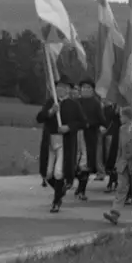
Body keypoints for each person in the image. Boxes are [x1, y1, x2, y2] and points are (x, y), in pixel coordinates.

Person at [37, 76, 85, 212]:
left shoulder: (74, 105)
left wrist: (68, 127)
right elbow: (39, 118)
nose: (60, 90)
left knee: (59, 172)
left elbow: (82, 122)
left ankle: (56, 201)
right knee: (47, 173)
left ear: (69, 90)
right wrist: (51, 111)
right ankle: (60, 190)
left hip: (65, 142)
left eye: (63, 87)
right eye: (58, 87)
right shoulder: (51, 102)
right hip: (50, 141)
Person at [104, 106, 132, 226]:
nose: (120, 118)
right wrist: (118, 161)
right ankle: (115, 213)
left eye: (121, 116)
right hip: (123, 163)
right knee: (121, 187)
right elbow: (120, 147)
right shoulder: (121, 129)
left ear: (128, 117)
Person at [74, 78, 105, 200]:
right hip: (76, 134)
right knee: (74, 162)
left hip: (89, 136)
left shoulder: (96, 103)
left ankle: (82, 190)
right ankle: (75, 183)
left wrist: (91, 124)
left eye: (88, 88)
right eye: (83, 87)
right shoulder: (76, 102)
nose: (85, 90)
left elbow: (102, 120)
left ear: (92, 90)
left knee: (86, 164)